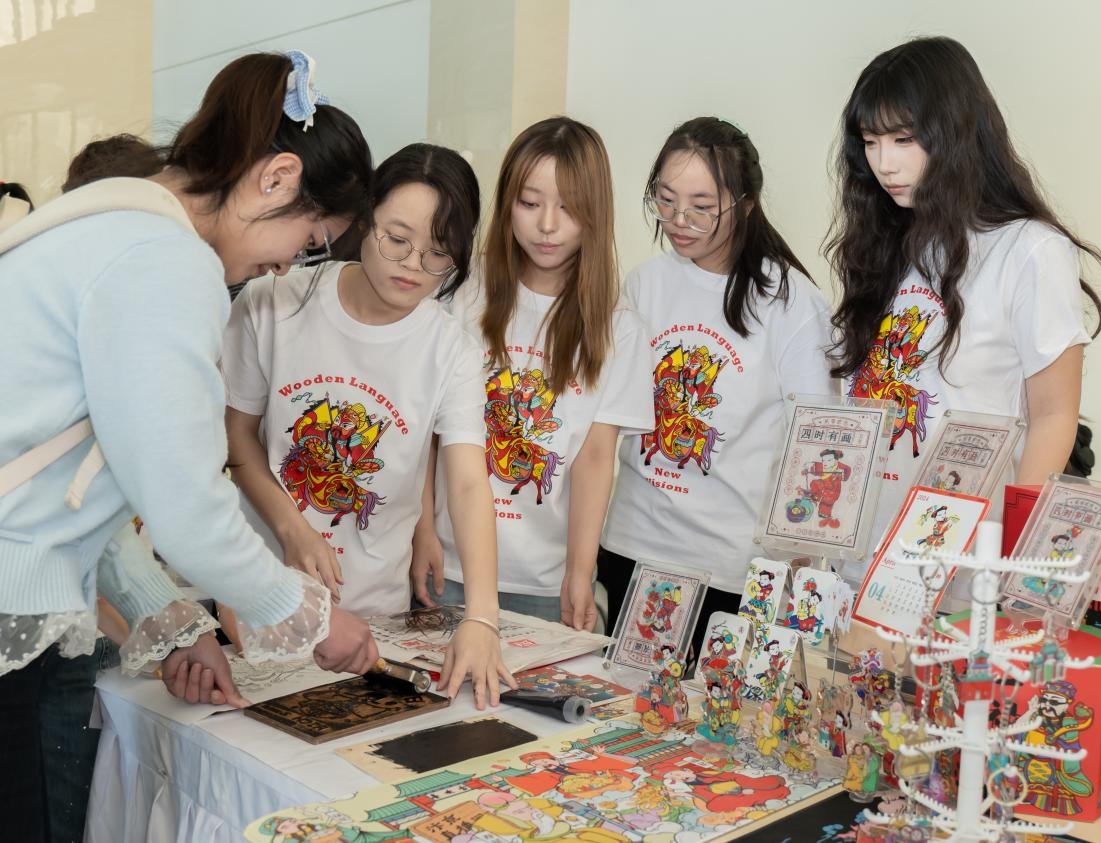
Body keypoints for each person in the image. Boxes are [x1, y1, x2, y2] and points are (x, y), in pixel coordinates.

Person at [0, 51, 379, 838]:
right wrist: (309, 616)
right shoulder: (163, 260)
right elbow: (183, 505)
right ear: (275, 178)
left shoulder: (112, 223)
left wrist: (177, 621)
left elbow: (84, 487)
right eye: (312, 237)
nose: (289, 261)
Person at [221, 143, 511, 704]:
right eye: (397, 239)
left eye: (438, 253)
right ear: (366, 215)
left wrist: (482, 616)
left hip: (375, 614)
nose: (413, 265)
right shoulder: (275, 301)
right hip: (261, 597)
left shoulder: (451, 349)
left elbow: (468, 482)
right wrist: (292, 530)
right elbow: (237, 440)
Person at [827, 36, 1101, 534]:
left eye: (903, 139)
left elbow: (1053, 416)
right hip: (862, 541)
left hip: (963, 547)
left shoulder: (1029, 249)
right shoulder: (884, 241)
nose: (884, 164)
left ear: (956, 133)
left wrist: (1015, 552)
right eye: (870, 142)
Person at [597, 117, 836, 659]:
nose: (679, 221)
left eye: (702, 207)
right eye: (665, 200)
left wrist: (802, 566)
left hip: (730, 571)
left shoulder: (790, 304)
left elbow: (815, 445)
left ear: (746, 205)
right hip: (632, 549)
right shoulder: (644, 284)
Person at [418, 117, 652, 632]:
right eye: (530, 203)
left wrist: (579, 571)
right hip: (447, 565)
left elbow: (595, 458)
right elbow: (427, 432)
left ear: (596, 212)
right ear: (507, 203)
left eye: (569, 207)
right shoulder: (462, 292)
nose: (547, 225)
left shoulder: (620, 327)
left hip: (544, 583)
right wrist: (422, 529)